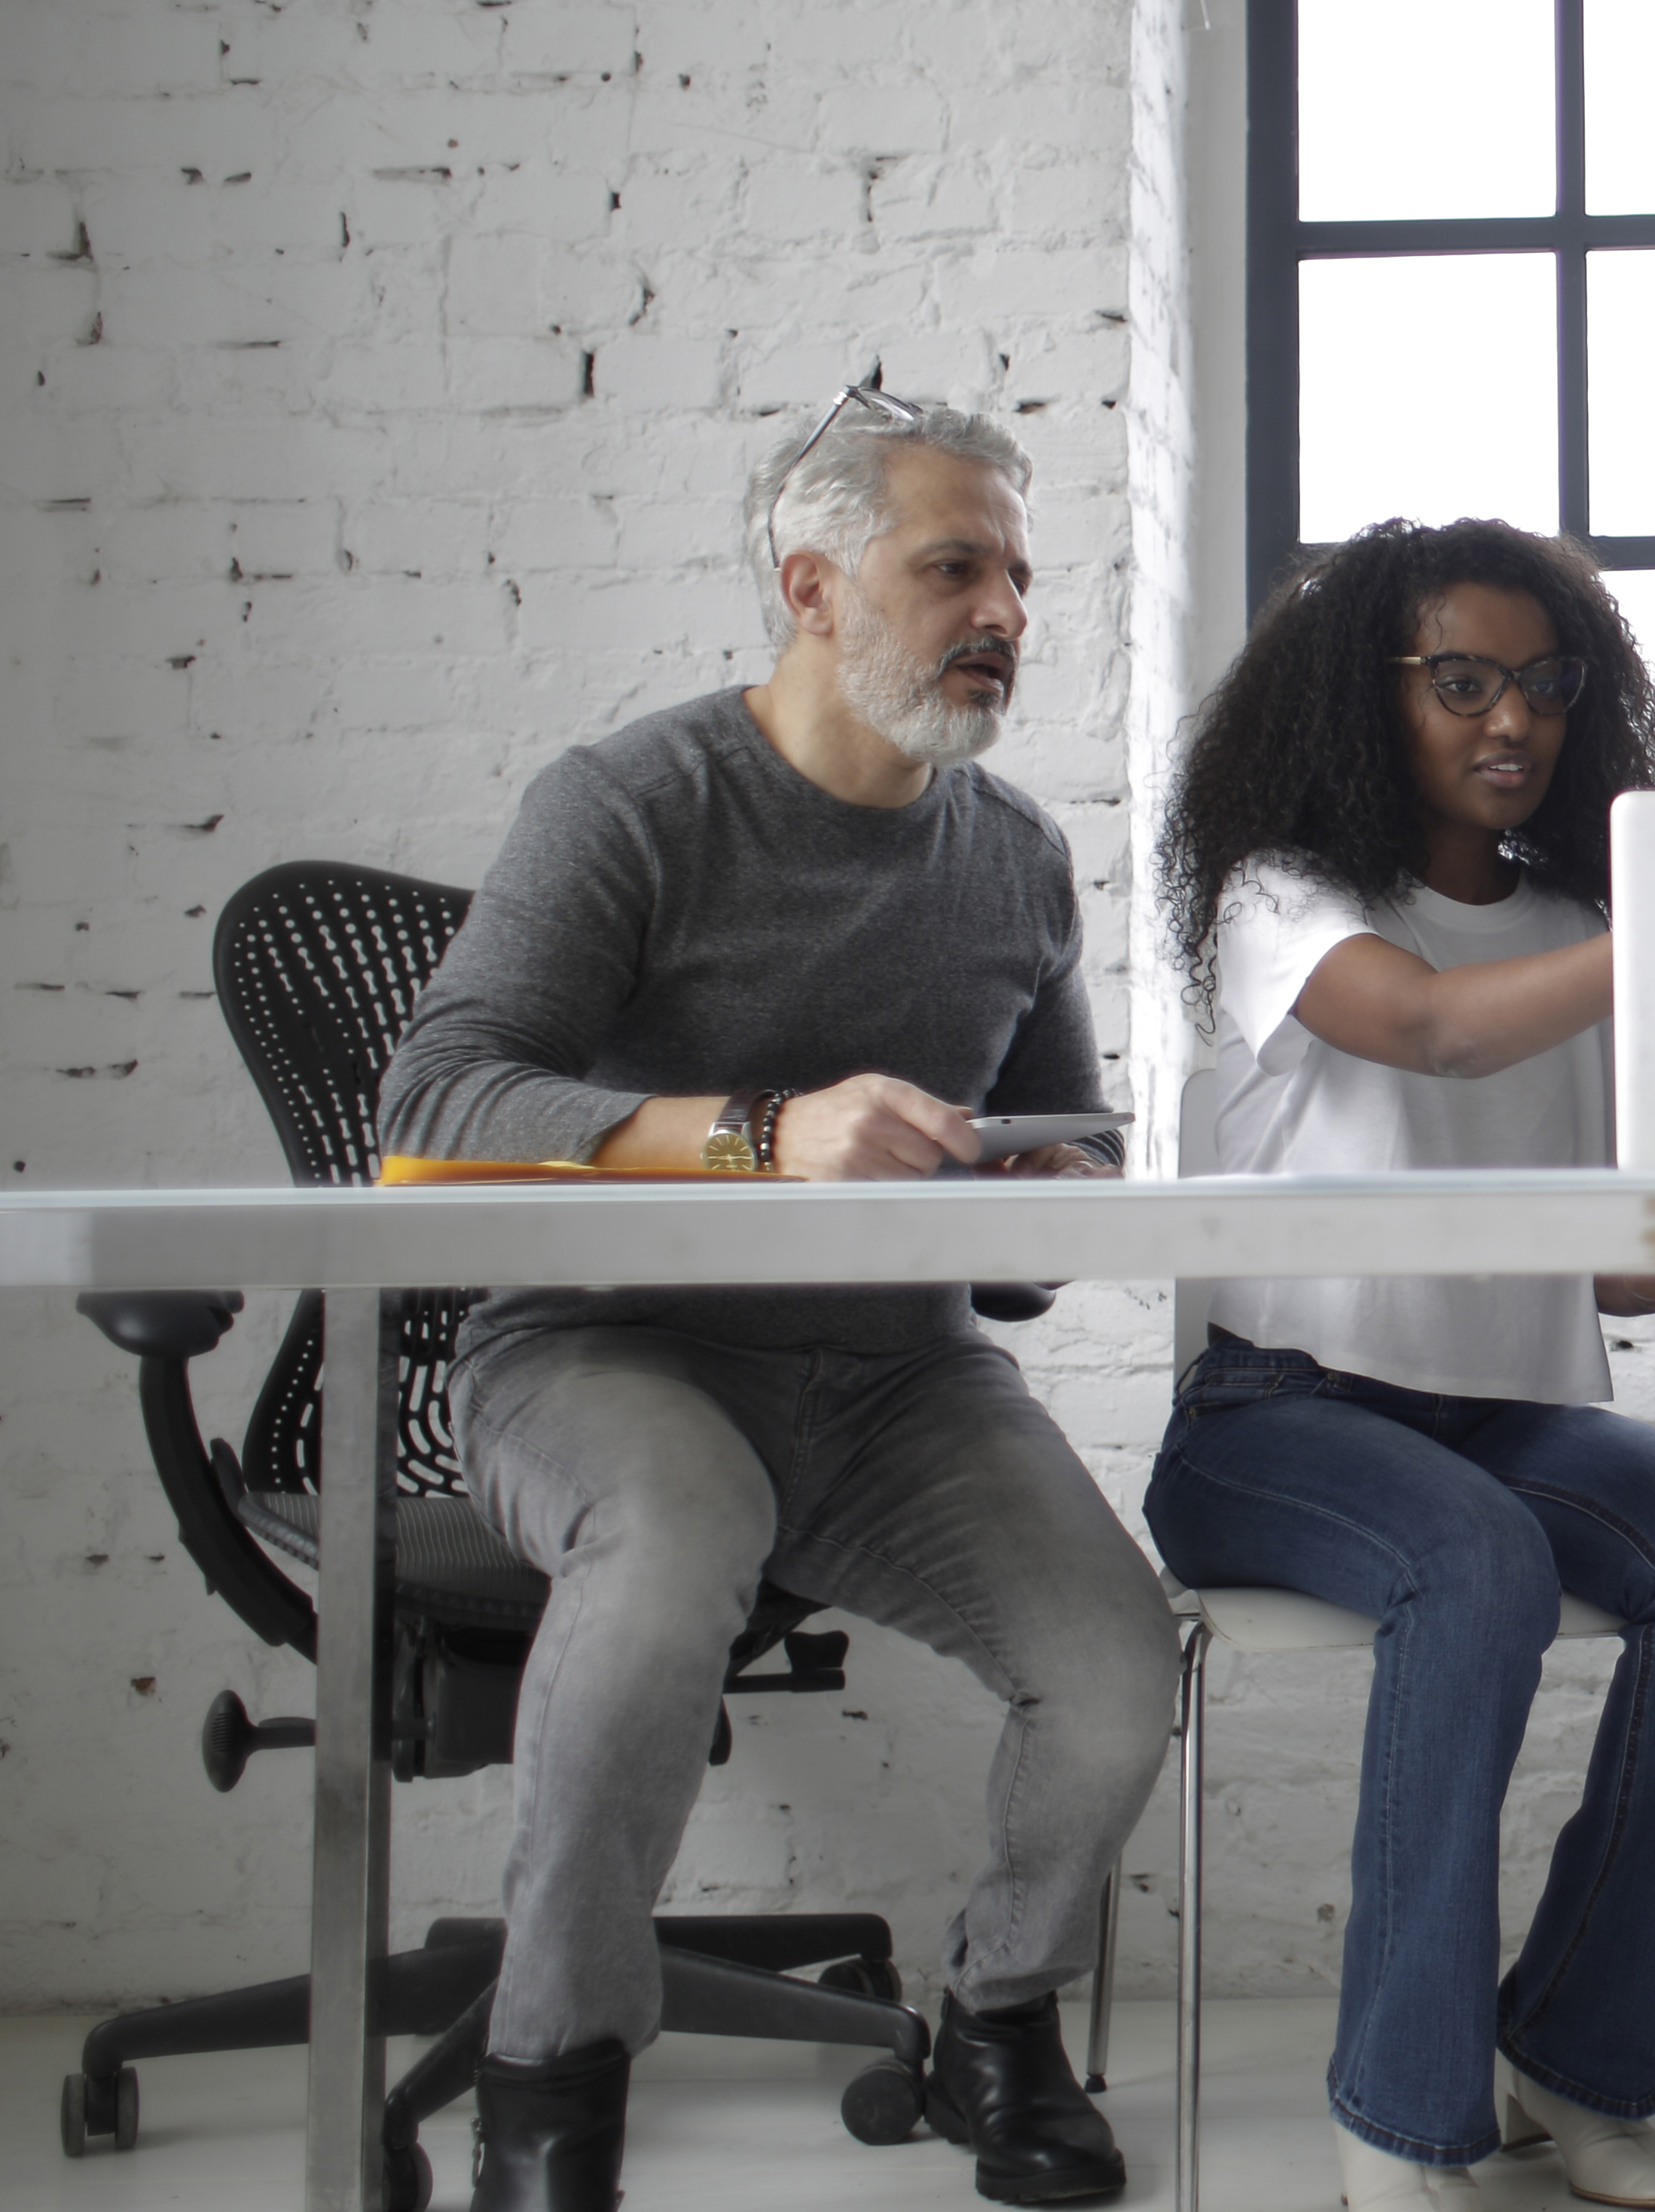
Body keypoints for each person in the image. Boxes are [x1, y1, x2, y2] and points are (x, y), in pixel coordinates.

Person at [379, 392, 1173, 2211]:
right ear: (812, 585)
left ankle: (993, 2026)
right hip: (606, 1351)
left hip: (896, 1382)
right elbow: (433, 1107)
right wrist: (760, 1133)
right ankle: (548, 2092)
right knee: (670, 1552)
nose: (1005, 611)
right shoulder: (632, 804)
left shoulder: (1016, 857)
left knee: (1117, 1669)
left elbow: (1027, 1233)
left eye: (1023, 578)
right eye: (953, 565)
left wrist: (1051, 1196)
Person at [1141, 516, 1655, 2212]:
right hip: (1275, 1419)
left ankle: (1572, 2062)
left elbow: (1617, 1256)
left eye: (1544, 683)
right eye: (1462, 681)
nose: (1511, 719)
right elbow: (1429, 1024)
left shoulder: (1574, 920)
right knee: (1478, 1563)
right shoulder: (1287, 897)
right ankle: (1402, 2111)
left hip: (1503, 1417)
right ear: (1369, 699)